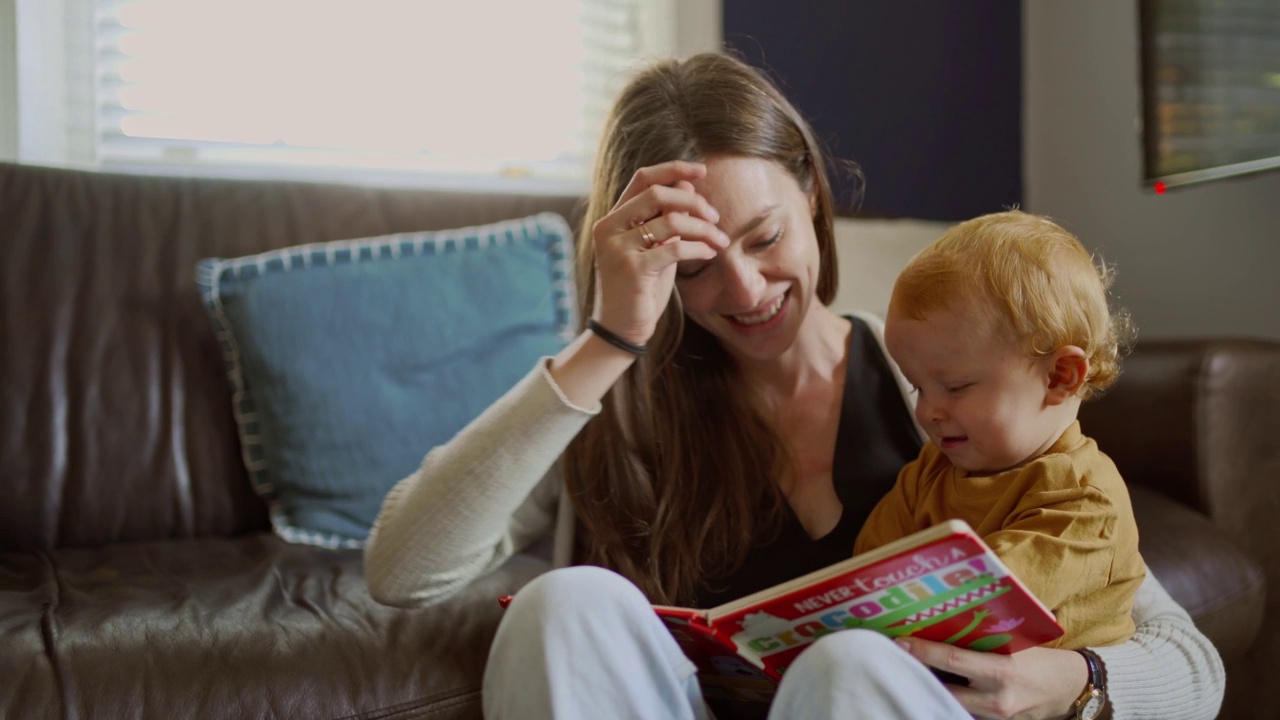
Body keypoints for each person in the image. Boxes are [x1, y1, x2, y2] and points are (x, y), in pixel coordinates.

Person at [363, 52, 1224, 720]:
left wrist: (1070, 679)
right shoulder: (616, 409)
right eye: (696, 268)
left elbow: (1194, 667)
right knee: (562, 605)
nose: (743, 291)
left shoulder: (944, 398)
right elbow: (404, 569)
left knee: (851, 664)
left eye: (765, 235)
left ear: (812, 196)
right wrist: (608, 340)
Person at [854, 210, 1145, 652]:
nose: (928, 410)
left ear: (1059, 377)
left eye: (955, 387)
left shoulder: (1084, 500)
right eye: (916, 386)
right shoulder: (932, 470)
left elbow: (983, 600)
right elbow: (867, 570)